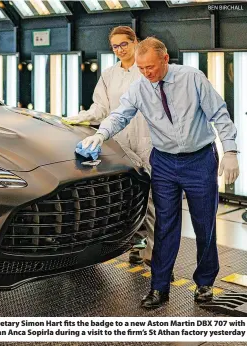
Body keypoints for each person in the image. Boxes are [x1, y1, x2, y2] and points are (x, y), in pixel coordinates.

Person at [79, 37, 239, 309]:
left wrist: (231, 151)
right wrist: (100, 133)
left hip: (199, 159)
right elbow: (120, 115)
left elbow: (219, 114)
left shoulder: (192, 78)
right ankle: (159, 287)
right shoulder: (140, 86)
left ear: (165, 59)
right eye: (141, 68)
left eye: (151, 67)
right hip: (164, 162)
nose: (146, 73)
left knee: (204, 224)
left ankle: (204, 283)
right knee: (165, 226)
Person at [67, 26, 154, 266]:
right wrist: (81, 117)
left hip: (150, 141)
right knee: (131, 197)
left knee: (155, 200)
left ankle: (155, 257)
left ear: (135, 41)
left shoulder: (146, 69)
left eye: (124, 44)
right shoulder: (109, 74)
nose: (120, 50)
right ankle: (136, 245)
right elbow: (101, 109)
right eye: (115, 46)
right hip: (121, 143)